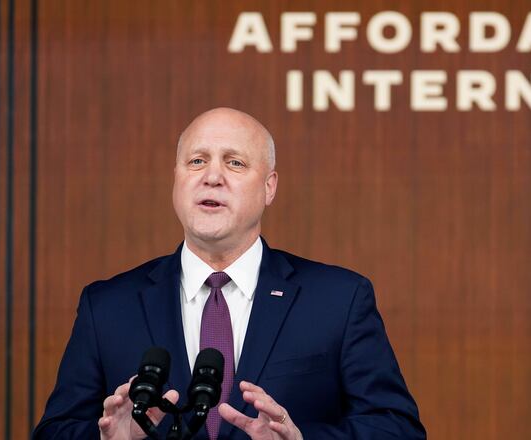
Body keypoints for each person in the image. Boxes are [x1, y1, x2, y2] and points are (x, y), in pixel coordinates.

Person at [33, 108, 426, 440]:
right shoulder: (107, 306)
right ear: (177, 179)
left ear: (269, 187)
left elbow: (398, 428)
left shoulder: (338, 299)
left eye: (235, 162)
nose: (212, 176)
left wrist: (302, 438)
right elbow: (55, 430)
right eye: (197, 160)